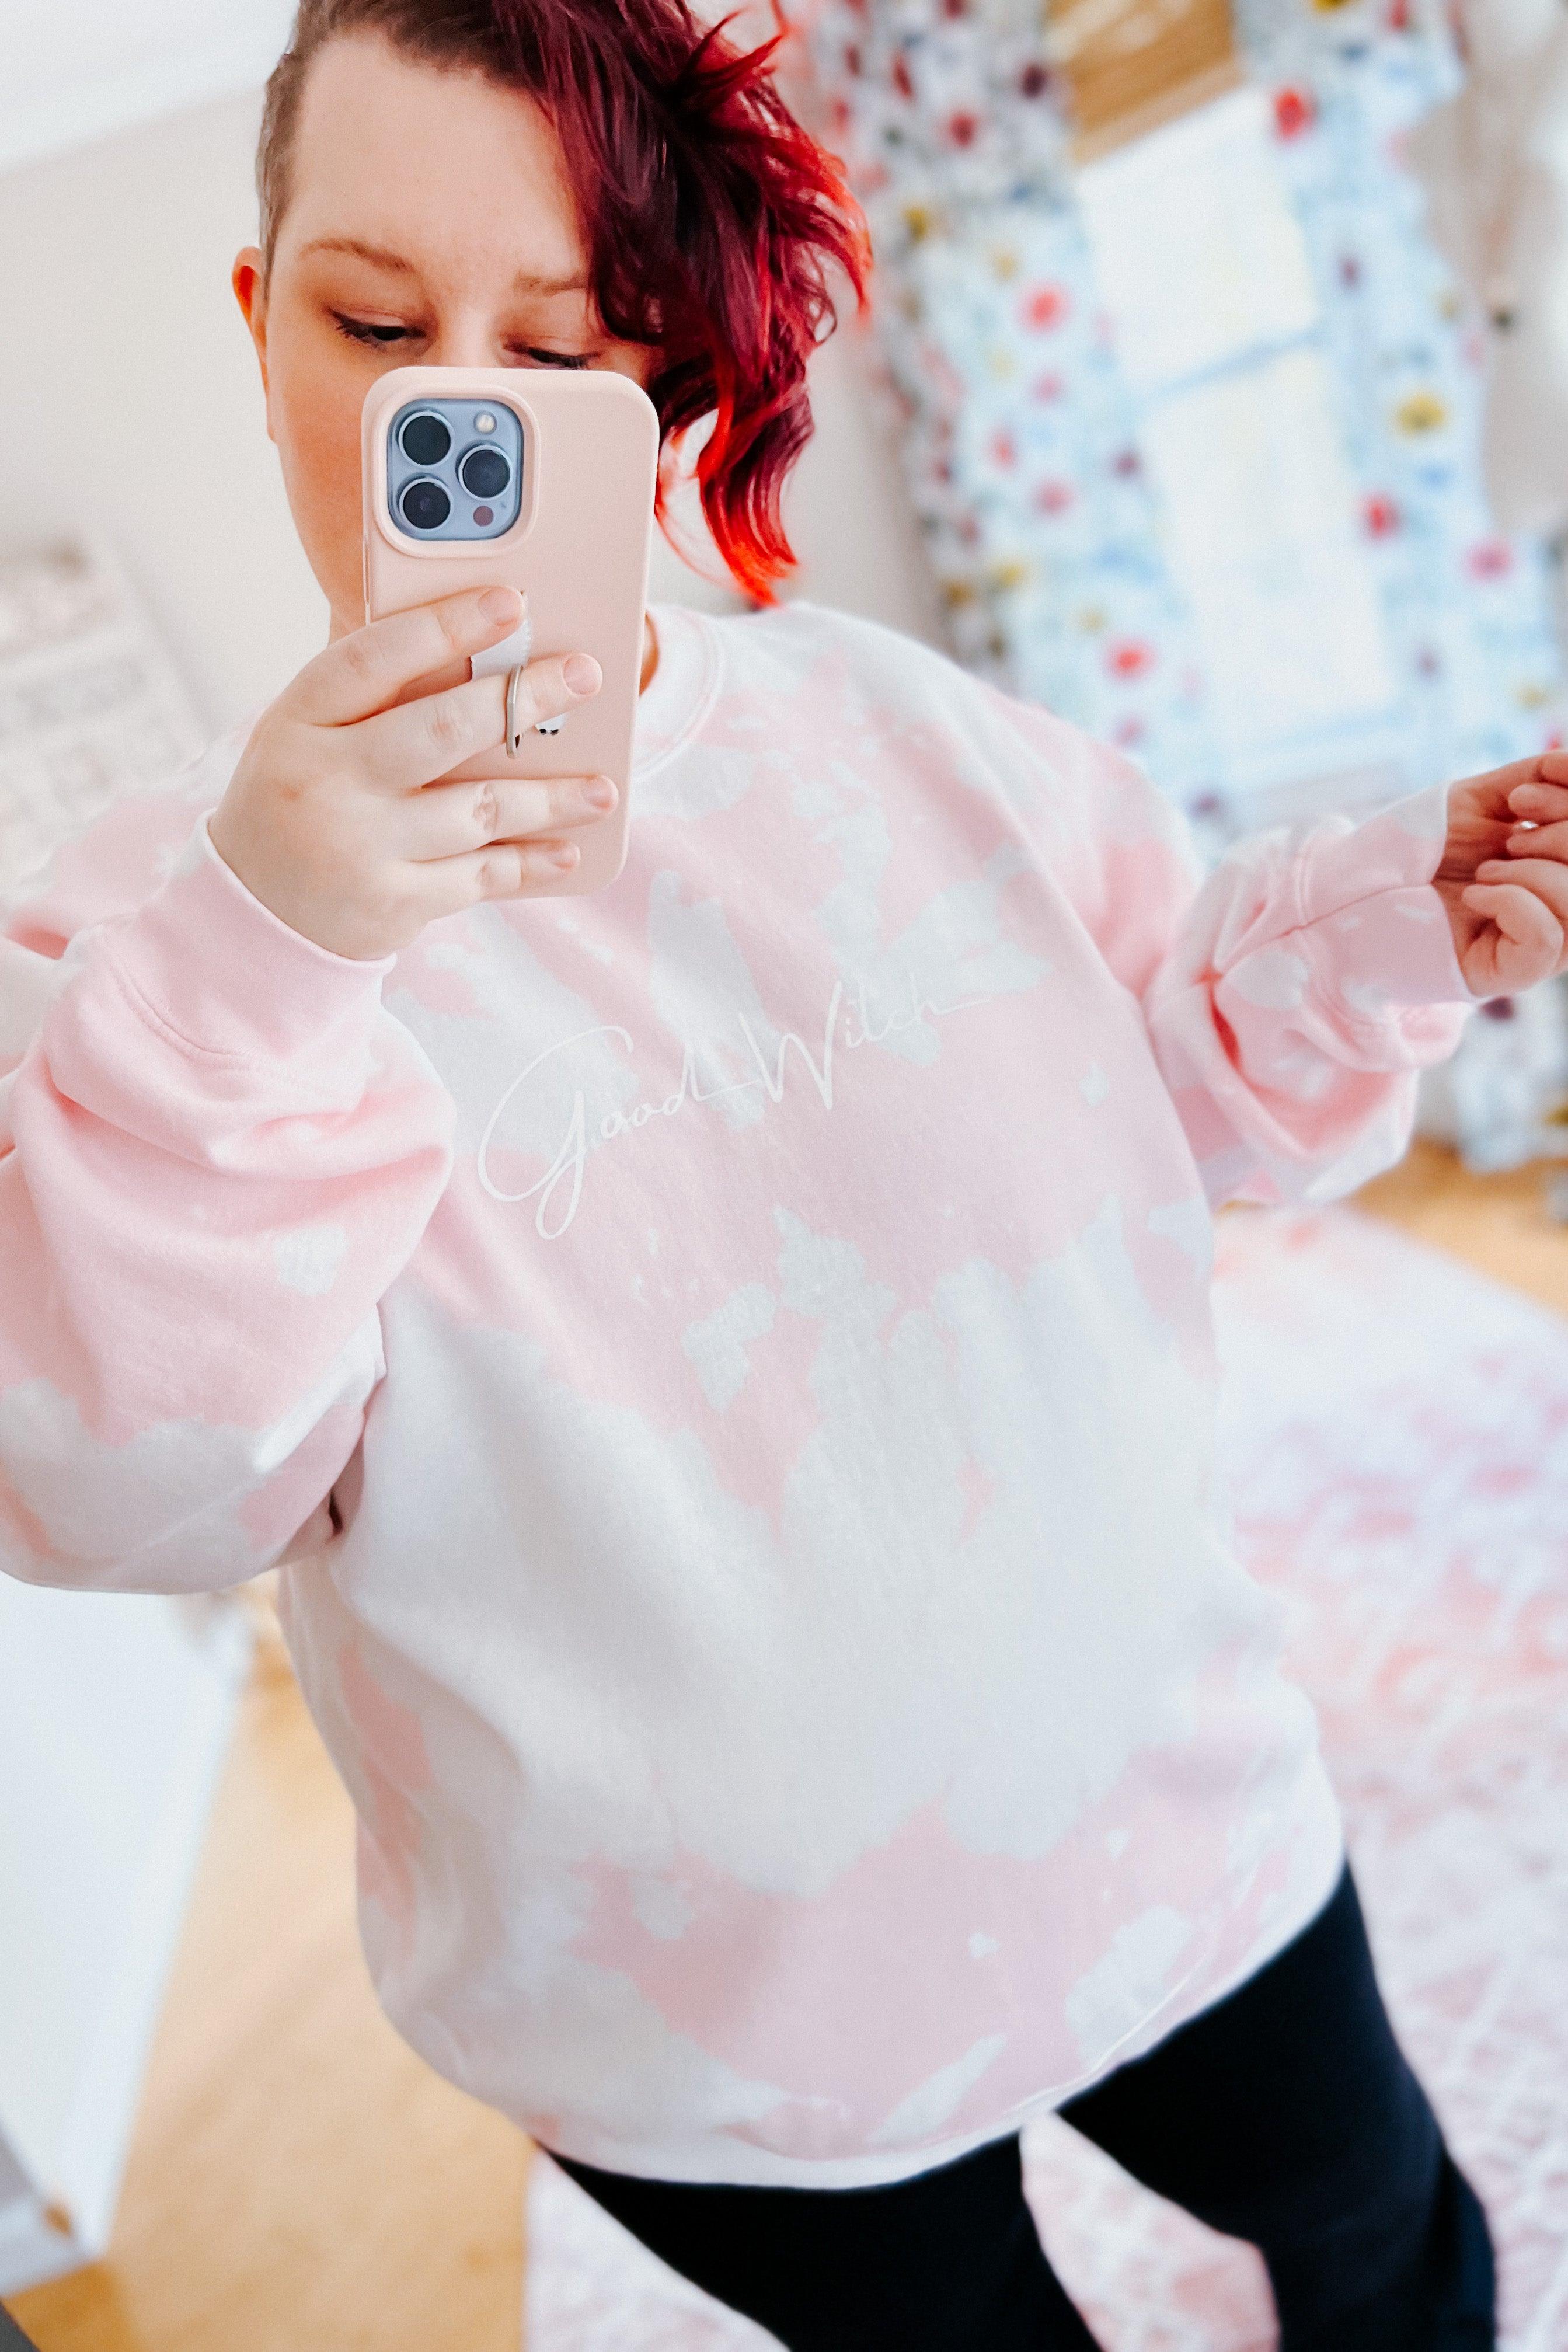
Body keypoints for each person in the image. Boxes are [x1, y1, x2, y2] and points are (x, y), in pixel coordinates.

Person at [4, 2, 1562, 2341]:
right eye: (374, 326)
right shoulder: (131, 946)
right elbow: (131, 1485)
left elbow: (1183, 1069)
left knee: (1390, 2247)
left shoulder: (886, 726)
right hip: (703, 2030)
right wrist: (271, 950)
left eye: (568, 348)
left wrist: (1383, 923)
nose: (468, 422)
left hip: (1170, 1816)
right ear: (260, 330)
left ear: (668, 378)